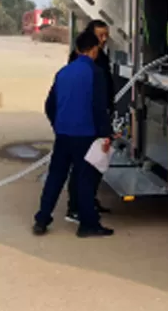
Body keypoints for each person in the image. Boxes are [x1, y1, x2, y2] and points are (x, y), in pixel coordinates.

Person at [33, 29, 115, 238]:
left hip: (63, 134)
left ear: (77, 49)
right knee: (85, 180)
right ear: (94, 49)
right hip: (85, 135)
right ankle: (88, 224)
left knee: (55, 177)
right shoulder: (95, 73)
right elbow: (99, 107)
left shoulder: (63, 72)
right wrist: (106, 135)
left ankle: (42, 219)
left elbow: (49, 105)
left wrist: (58, 125)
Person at [66, 19, 114, 222]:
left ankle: (90, 200)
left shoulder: (101, 56)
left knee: (96, 163)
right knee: (81, 166)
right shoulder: (79, 60)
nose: (103, 40)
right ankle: (74, 207)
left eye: (106, 35)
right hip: (86, 121)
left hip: (99, 115)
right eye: (99, 36)